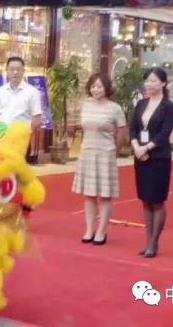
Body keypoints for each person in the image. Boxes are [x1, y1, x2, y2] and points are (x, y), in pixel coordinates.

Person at [72, 73, 127, 246]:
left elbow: (122, 132)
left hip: (106, 154)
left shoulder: (115, 108)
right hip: (87, 153)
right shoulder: (86, 106)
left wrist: (115, 150)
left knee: (105, 195)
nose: (96, 89)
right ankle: (89, 229)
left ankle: (102, 231)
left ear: (106, 88)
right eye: (93, 86)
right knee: (89, 195)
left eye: (99, 86)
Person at [129, 67, 173, 258]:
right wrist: (136, 147)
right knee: (145, 200)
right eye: (147, 80)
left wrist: (147, 148)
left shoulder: (169, 106)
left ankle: (154, 242)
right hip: (140, 157)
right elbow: (133, 128)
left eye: (153, 81)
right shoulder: (141, 104)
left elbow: (164, 133)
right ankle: (148, 239)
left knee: (157, 201)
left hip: (158, 157)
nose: (149, 84)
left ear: (163, 83)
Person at [0, 56, 44, 131]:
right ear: (7, 71)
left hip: (22, 136)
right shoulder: (0, 91)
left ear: (23, 71)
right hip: (2, 136)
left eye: (18, 69)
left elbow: (37, 119)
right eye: (12, 69)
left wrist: (25, 131)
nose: (15, 72)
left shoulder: (32, 92)